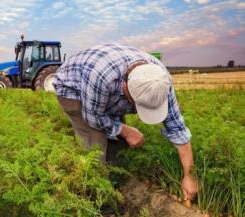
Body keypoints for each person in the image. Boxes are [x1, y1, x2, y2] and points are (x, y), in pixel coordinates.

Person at [53, 43, 198, 201]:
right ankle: (97, 197)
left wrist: (189, 176)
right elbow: (93, 118)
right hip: (74, 88)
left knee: (118, 141)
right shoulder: (102, 77)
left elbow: (178, 129)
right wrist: (127, 131)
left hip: (105, 89)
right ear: (125, 89)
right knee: (94, 145)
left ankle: (117, 182)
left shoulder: (160, 81)